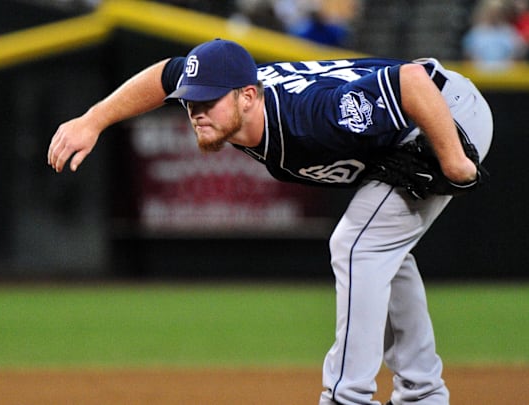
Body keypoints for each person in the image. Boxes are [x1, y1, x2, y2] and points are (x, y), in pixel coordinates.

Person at [47, 39, 493, 405]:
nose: (196, 111)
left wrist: (454, 161)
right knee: (379, 252)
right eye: (190, 102)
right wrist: (94, 120)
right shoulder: (236, 106)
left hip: (441, 111)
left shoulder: (312, 117)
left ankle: (348, 398)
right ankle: (423, 394)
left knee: (356, 245)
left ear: (247, 96)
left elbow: (410, 81)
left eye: (207, 100)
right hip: (409, 118)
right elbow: (166, 73)